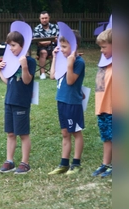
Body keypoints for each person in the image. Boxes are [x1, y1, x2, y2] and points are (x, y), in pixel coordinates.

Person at [0, 31, 36, 174]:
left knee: (23, 134)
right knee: (10, 133)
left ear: (23, 45)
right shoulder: (11, 61)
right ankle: (10, 161)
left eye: (13, 45)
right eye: (9, 45)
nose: (11, 48)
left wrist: (24, 66)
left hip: (21, 102)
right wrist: (0, 72)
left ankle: (25, 163)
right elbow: (9, 82)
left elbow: (26, 80)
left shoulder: (29, 61)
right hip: (9, 101)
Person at [48, 30, 85, 175]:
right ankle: (64, 164)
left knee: (76, 132)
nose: (61, 49)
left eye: (64, 47)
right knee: (65, 133)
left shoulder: (78, 62)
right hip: (61, 101)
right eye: (60, 46)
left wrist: (70, 64)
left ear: (74, 46)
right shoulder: (62, 59)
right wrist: (55, 58)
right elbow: (52, 76)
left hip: (72, 103)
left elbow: (70, 81)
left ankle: (76, 164)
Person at [91, 28, 112, 177]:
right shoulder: (103, 64)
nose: (101, 50)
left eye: (104, 47)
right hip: (102, 107)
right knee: (106, 137)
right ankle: (105, 163)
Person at [33, 11, 59, 80]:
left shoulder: (55, 27)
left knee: (58, 52)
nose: (44, 20)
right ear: (40, 19)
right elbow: (39, 42)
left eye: (46, 18)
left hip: (55, 47)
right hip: (42, 48)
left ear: (49, 18)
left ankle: (55, 72)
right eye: (42, 18)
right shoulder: (36, 29)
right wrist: (51, 40)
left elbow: (59, 38)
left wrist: (47, 41)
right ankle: (43, 74)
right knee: (43, 52)